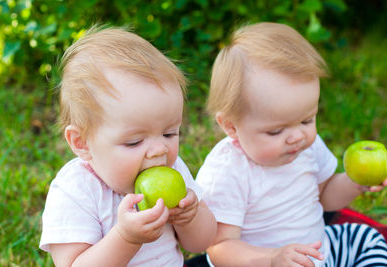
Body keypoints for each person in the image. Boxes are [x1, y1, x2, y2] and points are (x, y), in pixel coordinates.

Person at [196, 22, 387, 267]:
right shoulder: (228, 171)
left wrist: (355, 182)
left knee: (366, 239)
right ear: (231, 126)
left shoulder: (307, 146)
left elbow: (325, 197)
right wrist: (272, 258)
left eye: (307, 120)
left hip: (320, 252)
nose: (297, 136)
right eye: (276, 131)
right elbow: (220, 249)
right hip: (264, 262)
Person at [39, 25, 216, 267]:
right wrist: (126, 237)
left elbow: (201, 244)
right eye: (134, 141)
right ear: (82, 143)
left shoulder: (173, 168)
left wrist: (191, 217)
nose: (159, 150)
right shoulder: (76, 191)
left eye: (169, 133)